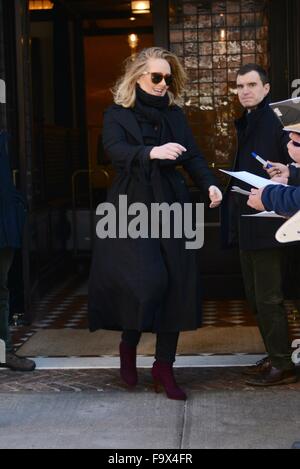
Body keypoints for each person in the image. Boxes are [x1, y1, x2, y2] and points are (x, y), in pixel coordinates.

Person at [88, 47, 222, 400]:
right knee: (143, 280)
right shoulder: (117, 114)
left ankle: (164, 366)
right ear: (137, 77)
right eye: (156, 76)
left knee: (178, 280)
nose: (164, 84)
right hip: (131, 203)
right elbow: (113, 150)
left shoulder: (175, 116)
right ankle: (129, 344)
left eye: (168, 78)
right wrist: (150, 152)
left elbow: (192, 154)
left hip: (174, 202)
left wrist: (209, 184)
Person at [221, 64, 297, 386]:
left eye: (252, 84)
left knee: (268, 298)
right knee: (254, 297)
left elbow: (294, 167)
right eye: (239, 86)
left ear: (266, 89)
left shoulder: (278, 121)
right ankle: (276, 353)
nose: (245, 91)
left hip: (271, 224)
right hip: (248, 221)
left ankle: (282, 364)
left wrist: (284, 176)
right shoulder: (247, 120)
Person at [0, 130, 35, 372]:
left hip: (3, 222)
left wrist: (17, 205)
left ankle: (6, 351)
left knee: (1, 289)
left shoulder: (3, 137)